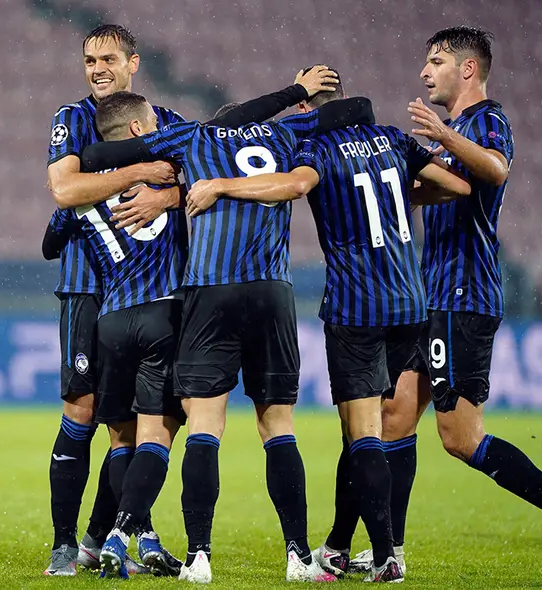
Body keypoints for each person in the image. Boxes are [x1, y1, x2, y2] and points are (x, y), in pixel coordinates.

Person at [185, 67, 471, 583]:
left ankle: (387, 557)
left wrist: (220, 185)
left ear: (308, 112)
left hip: (357, 307)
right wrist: (397, 200)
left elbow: (292, 186)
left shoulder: (317, 150)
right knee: (381, 431)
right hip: (411, 301)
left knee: (362, 434)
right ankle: (337, 546)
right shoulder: (392, 140)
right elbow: (455, 185)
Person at [344, 26, 542, 580]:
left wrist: (442, 138)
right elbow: (433, 188)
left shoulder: (486, 121)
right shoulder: (452, 133)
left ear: (467, 69)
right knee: (394, 415)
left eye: (435, 61)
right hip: (429, 296)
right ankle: (392, 553)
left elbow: (495, 169)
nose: (424, 72)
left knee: (460, 438)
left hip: (464, 296)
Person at [81, 66, 349, 584]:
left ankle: (199, 557)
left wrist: (159, 182)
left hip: (209, 289)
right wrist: (302, 96)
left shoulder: (192, 135)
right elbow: (356, 111)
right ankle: (297, 556)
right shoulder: (286, 131)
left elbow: (97, 157)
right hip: (271, 289)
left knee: (205, 426)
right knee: (278, 427)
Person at [42, 23, 185, 577]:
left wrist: (165, 195)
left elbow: (192, 178)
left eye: (107, 59)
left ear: (133, 62)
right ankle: (62, 541)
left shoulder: (166, 120)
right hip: (87, 284)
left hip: (149, 287)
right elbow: (64, 190)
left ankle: (121, 535)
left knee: (135, 421)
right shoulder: (70, 119)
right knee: (81, 408)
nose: (97, 69)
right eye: (88, 60)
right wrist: (140, 170)